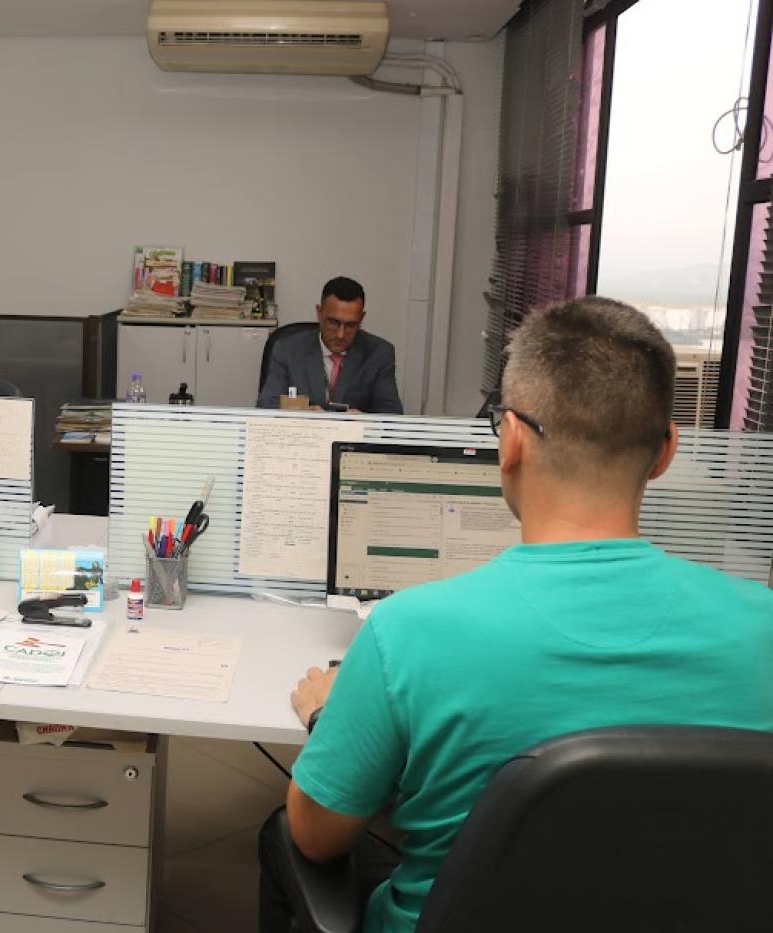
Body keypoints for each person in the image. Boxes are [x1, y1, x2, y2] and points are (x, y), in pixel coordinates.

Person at [259, 296, 773, 933]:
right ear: (665, 451)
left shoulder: (409, 631)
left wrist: (333, 714)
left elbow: (316, 836)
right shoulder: (765, 631)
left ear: (509, 441)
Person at [256, 276, 403, 413]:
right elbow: (266, 406)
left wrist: (366, 421)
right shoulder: (287, 349)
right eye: (333, 322)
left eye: (351, 325)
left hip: (352, 439)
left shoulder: (379, 353)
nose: (340, 334)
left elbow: (392, 416)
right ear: (319, 313)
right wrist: (302, 416)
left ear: (362, 318)